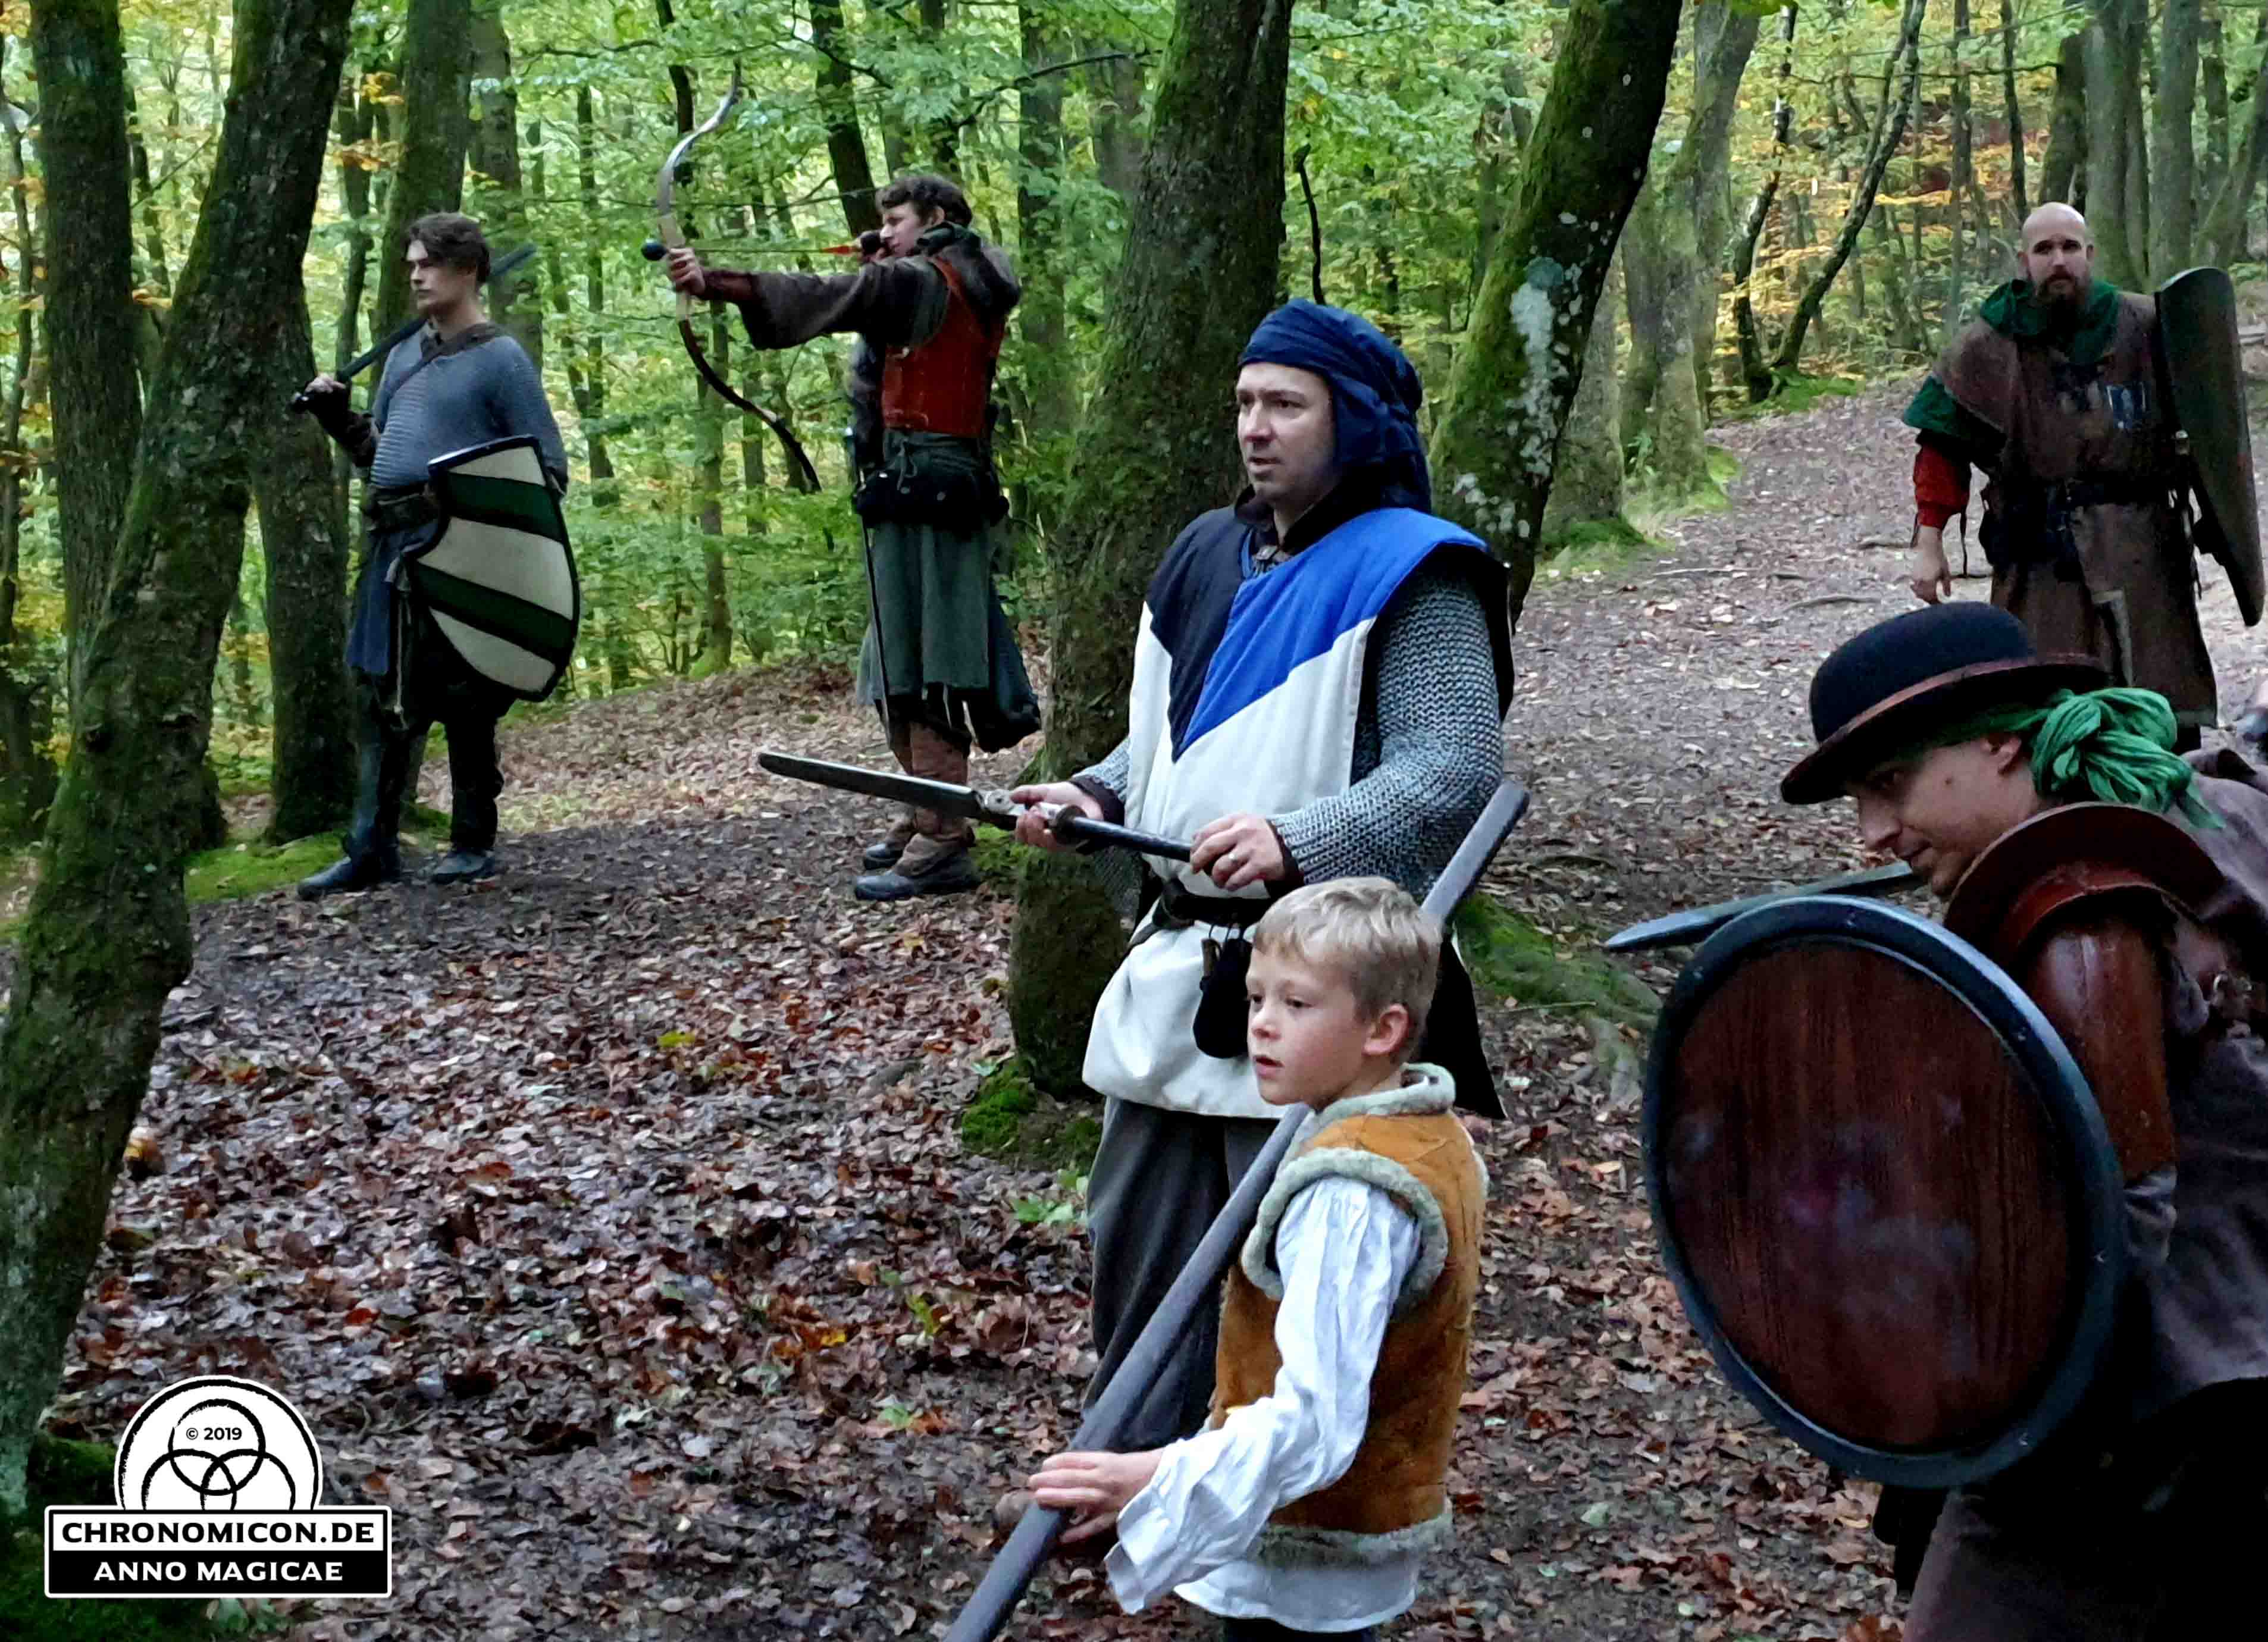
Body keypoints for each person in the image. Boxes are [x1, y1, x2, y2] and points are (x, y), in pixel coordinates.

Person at [1010, 301, 1513, 1474]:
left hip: (1327, 986)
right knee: (1139, 1267)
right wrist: (1091, 796)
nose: (1254, 427)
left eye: (1286, 404)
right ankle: (1124, 1489)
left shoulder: (1415, 569)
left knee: (1289, 1282)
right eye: (1245, 402)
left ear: (1357, 421)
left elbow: (1453, 768)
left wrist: (1300, 840)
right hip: (1177, 975)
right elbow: (1168, 746)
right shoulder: (1202, 555)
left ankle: (1276, 1508)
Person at [1780, 601, 2268, 1638]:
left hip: (2145, 1419)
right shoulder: (2204, 809)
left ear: (1999, 742)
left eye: (1890, 785)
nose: (1873, 834)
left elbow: (2108, 1238)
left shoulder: (2079, 922)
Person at [1030, 878, 1484, 1641]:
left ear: (1382, 1029)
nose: (1262, 1026)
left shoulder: (1349, 1194)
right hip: (1330, 1537)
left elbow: (1312, 1422)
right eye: (1255, 999)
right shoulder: (1427, 1132)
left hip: (1301, 1553)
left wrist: (1153, 1478)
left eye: (1296, 1004)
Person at [665, 173, 1037, 900]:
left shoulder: (927, 280)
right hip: (917, 486)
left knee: (927, 662)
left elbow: (833, 294)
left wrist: (715, 283)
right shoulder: (944, 277)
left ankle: (943, 835)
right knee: (896, 658)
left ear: (936, 217)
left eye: (897, 220)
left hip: (930, 489)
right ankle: (926, 807)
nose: (885, 232)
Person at [297, 213, 568, 897]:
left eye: (429, 264)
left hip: (461, 552)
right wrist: (339, 420)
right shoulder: (402, 356)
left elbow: (546, 472)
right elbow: (383, 457)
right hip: (391, 548)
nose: (415, 275)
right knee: (378, 695)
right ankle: (370, 849)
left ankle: (472, 841)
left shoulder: (501, 360)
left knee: (465, 695)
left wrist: (465, 503)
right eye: (412, 263)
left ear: (468, 270)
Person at [1900, 202, 2216, 745]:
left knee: (2159, 700)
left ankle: (2164, 795)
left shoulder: (2149, 325)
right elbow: (1942, 447)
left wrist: (2219, 517)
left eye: (2070, 247)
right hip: (2041, 552)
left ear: (2089, 253)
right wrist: (1929, 544)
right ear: (2024, 260)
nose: (2059, 260)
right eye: (2045, 249)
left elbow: (2210, 425)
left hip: (2144, 544)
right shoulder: (1988, 345)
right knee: (2050, 705)